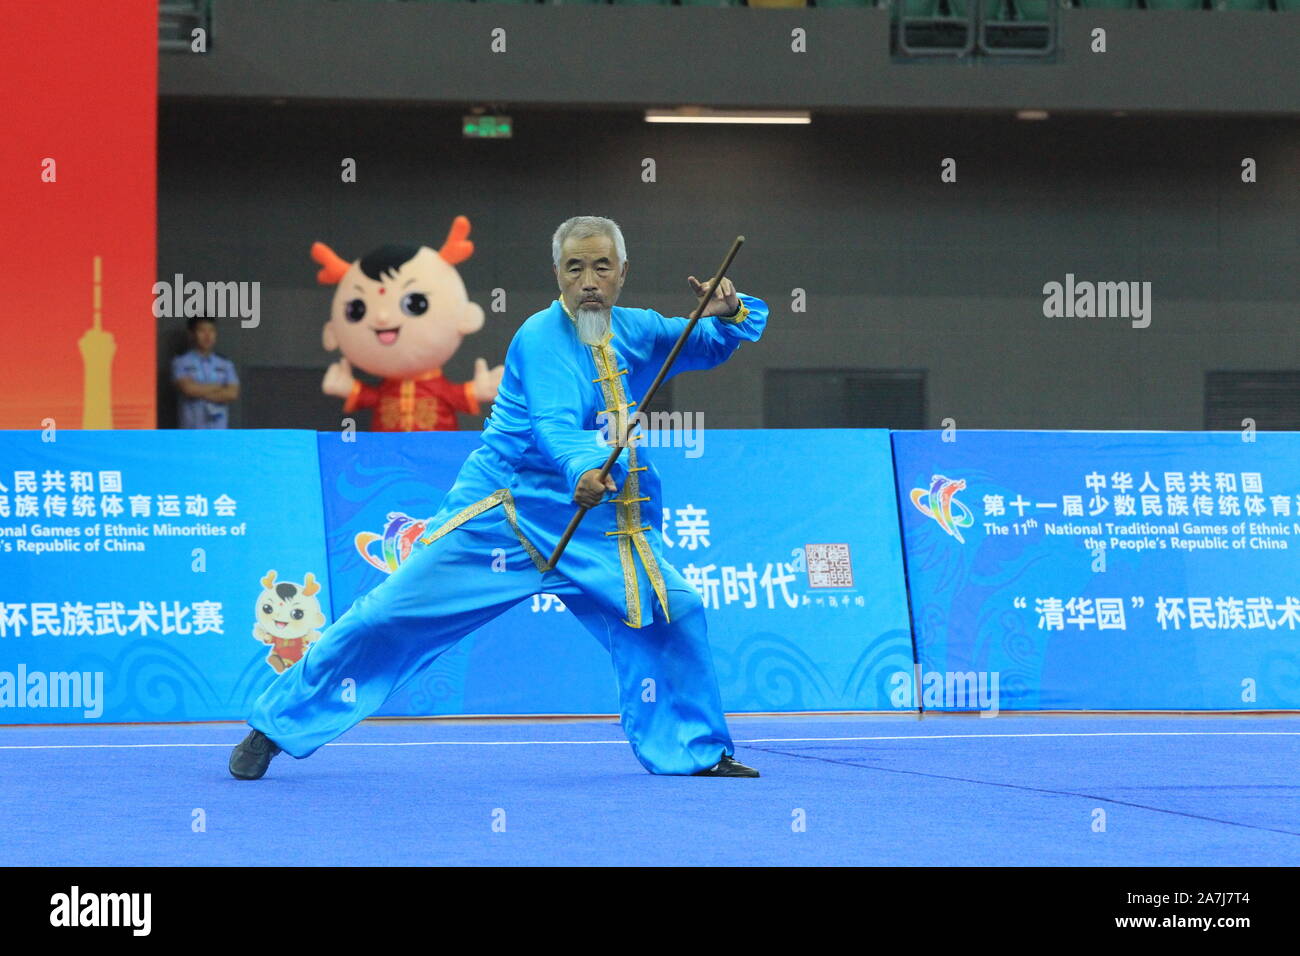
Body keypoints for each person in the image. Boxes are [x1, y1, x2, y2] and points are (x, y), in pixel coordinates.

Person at [229, 215, 768, 779]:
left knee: (673, 610)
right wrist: (583, 467)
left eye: (601, 267)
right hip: (505, 518)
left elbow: (701, 344)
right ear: (556, 273)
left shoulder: (636, 329)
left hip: (596, 526)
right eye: (575, 267)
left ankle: (695, 751)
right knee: (388, 615)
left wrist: (727, 311)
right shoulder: (539, 337)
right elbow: (556, 424)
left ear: (623, 273)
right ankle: (274, 726)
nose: (589, 281)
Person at [172, 317, 239, 428]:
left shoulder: (225, 364)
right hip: (191, 433)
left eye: (211, 331)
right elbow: (188, 389)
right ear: (191, 334)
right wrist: (218, 387)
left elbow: (232, 393)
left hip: (218, 434)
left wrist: (199, 390)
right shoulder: (180, 363)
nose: (207, 336)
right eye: (202, 331)